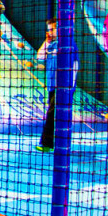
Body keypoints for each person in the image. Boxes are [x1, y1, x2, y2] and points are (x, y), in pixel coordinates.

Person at [36, 20, 78, 152]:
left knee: (52, 113)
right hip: (52, 85)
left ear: (59, 29)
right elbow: (40, 57)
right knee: (55, 113)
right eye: (48, 29)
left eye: (52, 29)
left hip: (63, 86)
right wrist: (46, 42)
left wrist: (71, 85)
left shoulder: (68, 44)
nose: (49, 32)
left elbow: (75, 64)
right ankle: (58, 142)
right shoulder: (51, 44)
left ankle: (46, 143)